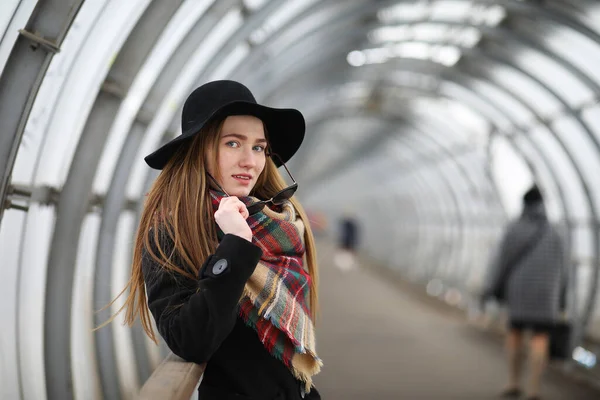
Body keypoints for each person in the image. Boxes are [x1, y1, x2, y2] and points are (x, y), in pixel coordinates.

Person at [117, 80, 322, 399]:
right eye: (232, 143)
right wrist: (236, 246)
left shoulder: (278, 226)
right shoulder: (174, 232)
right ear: (199, 148)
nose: (251, 161)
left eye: (258, 147)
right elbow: (191, 341)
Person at [483, 185, 567, 400]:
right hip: (547, 293)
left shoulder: (515, 228)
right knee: (540, 338)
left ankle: (513, 382)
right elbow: (564, 268)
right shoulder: (555, 232)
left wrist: (493, 288)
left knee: (515, 334)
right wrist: (562, 297)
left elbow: (503, 261)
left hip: (519, 290)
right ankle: (534, 389)